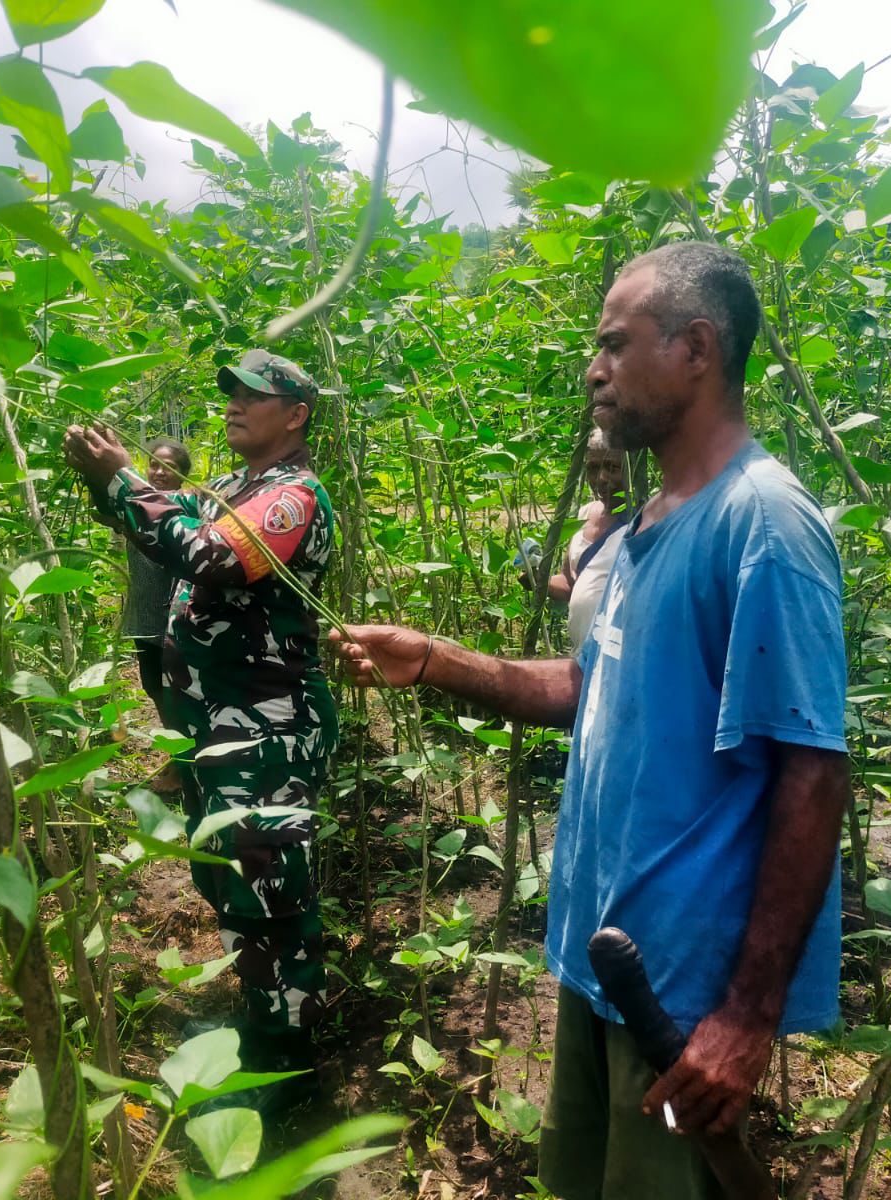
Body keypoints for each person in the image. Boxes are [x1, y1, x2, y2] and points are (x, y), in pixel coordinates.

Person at [333, 243, 850, 1199]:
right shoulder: (652, 520)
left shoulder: (764, 523)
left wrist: (745, 1016)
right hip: (604, 954)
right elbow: (588, 685)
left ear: (696, 348)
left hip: (680, 993)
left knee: (657, 1179)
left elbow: (812, 772)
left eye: (614, 344)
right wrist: (435, 661)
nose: (593, 367)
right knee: (592, 1179)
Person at [64, 349, 337, 1100]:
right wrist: (107, 484)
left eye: (254, 394)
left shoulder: (293, 495)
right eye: (231, 393)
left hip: (266, 731)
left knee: (270, 896)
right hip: (217, 730)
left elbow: (212, 555)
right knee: (228, 885)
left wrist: (121, 479)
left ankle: (286, 1072)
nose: (234, 403)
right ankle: (256, 1026)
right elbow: (168, 531)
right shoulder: (235, 489)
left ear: (297, 413)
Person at [119, 437, 191, 730]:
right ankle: (179, 758)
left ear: (182, 474)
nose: (159, 472)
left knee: (178, 691)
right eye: (154, 465)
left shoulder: (186, 509)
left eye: (169, 467)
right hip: (144, 614)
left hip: (176, 618)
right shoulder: (135, 506)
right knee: (152, 686)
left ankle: (184, 763)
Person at [545, 429, 630, 654]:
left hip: (618, 657)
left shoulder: (645, 521)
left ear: (632, 466)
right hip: (582, 657)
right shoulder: (582, 515)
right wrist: (536, 575)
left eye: (613, 468)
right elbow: (570, 582)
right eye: (593, 468)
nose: (601, 478)